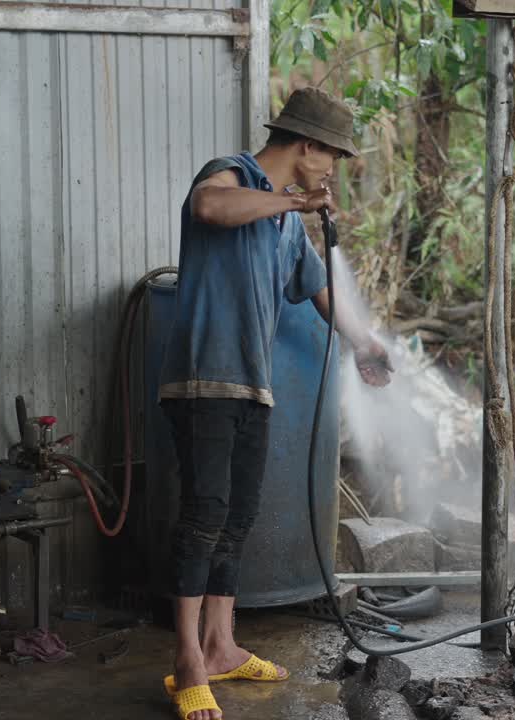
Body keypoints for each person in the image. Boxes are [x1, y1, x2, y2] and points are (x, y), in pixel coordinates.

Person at [158, 87, 393, 720]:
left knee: (237, 520)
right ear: (307, 145)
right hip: (205, 379)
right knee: (204, 515)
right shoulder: (230, 174)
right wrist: (290, 199)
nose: (333, 170)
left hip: (254, 385)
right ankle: (186, 661)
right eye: (333, 157)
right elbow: (209, 207)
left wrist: (366, 344)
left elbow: (319, 290)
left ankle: (221, 645)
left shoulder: (287, 222)